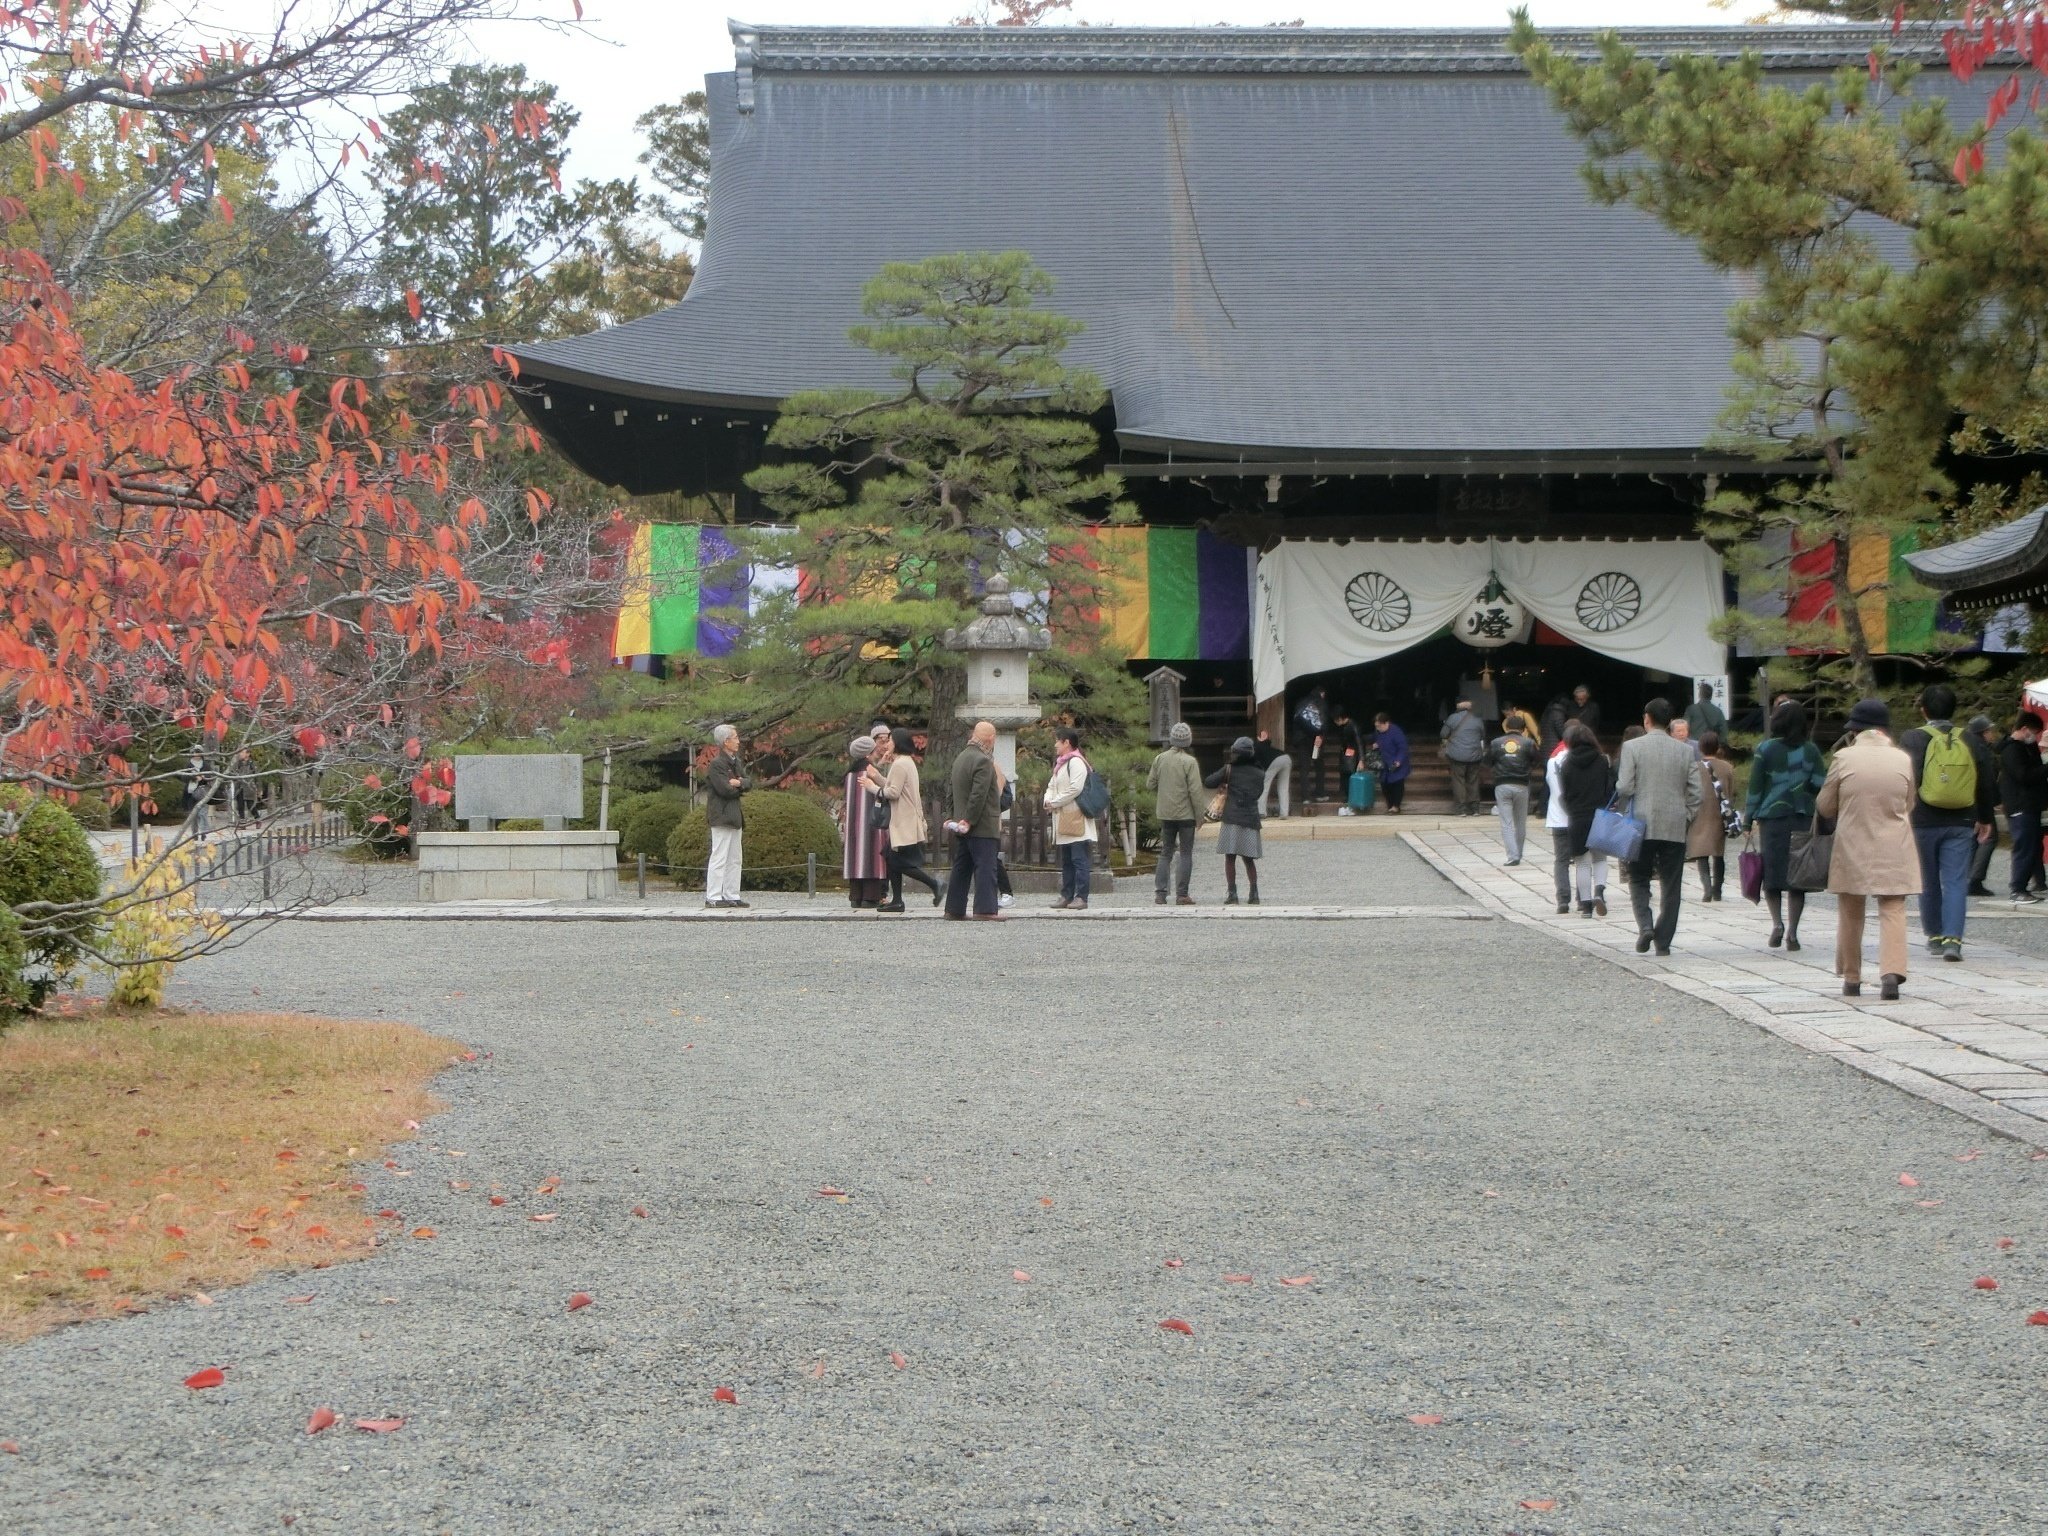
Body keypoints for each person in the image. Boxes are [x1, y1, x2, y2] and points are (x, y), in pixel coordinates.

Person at [1818, 699, 1920, 1000]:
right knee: (1893, 906)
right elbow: (1909, 803)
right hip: (1894, 842)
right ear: (1884, 729)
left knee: (1851, 909)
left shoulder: (1844, 758)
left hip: (1853, 842)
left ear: (1856, 731)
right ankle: (1891, 973)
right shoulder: (1902, 759)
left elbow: (1825, 806)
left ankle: (1852, 977)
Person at [1900, 682, 1999, 963]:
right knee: (1955, 880)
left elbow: (1907, 779)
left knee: (1928, 880)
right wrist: (1985, 818)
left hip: (1922, 820)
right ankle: (1953, 940)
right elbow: (1985, 781)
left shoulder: (1912, 738)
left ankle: (1934, 936)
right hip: (1962, 818)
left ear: (1923, 710)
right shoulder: (1970, 739)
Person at [1615, 697, 1703, 956]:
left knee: (1639, 877)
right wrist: (1686, 815)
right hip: (1674, 823)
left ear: (1647, 719)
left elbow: (1624, 787)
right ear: (1669, 722)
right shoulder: (1685, 750)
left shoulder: (1632, 747)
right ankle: (1663, 940)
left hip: (1639, 823)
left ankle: (1645, 926)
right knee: (1671, 883)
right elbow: (1696, 792)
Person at [1745, 701, 1825, 951]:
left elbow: (1755, 787)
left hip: (1772, 818)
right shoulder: (1811, 751)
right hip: (1801, 816)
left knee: (1773, 873)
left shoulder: (1765, 750)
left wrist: (1748, 818)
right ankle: (1793, 931)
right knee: (1797, 874)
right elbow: (1819, 784)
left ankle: (1777, 923)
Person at [869, 727, 942, 912]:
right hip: (905, 819)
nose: (888, 744)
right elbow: (894, 785)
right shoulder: (905, 762)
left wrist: (871, 787)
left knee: (899, 861)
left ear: (898, 742)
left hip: (903, 820)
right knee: (890, 856)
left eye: (891, 740)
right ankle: (898, 900)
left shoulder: (901, 763)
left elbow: (893, 792)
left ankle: (934, 884)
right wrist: (877, 776)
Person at [944, 722, 1004, 921]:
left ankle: (954, 908)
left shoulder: (961, 758)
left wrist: (955, 817)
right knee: (986, 867)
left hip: (961, 823)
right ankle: (985, 910)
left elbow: (952, 791)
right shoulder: (983, 760)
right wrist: (969, 819)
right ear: (991, 739)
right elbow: (979, 795)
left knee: (961, 867)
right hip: (982, 824)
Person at [1556, 723, 1615, 917]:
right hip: (1599, 815)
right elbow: (1610, 789)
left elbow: (1564, 793)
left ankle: (1587, 906)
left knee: (1581, 863)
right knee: (1600, 858)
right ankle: (1599, 890)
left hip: (1577, 816)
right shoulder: (1603, 761)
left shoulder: (1565, 764)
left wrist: (1571, 810)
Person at [1204, 735, 1266, 905]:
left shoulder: (1229, 769)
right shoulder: (1260, 773)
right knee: (1248, 859)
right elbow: (1258, 793)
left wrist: (1225, 784)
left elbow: (1209, 782)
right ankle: (1254, 893)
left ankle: (1232, 894)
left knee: (1230, 858)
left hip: (1232, 818)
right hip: (1251, 818)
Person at [1148, 721, 1204, 906]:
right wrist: (1200, 815)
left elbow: (1150, 784)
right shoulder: (1190, 762)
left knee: (1166, 853)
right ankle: (1182, 894)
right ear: (1188, 741)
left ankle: (1161, 893)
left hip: (1165, 813)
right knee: (1185, 853)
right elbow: (1195, 791)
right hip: (1186, 815)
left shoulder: (1160, 759)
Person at [1043, 725, 1098, 911]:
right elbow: (1051, 785)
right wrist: (1048, 799)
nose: (1055, 744)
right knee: (1067, 859)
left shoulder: (1076, 762)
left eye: (1058, 740)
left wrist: (1055, 802)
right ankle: (1067, 894)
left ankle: (1081, 896)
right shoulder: (1061, 763)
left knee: (1079, 859)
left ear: (1067, 742)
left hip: (1076, 815)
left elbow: (1076, 788)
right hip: (1064, 816)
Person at [1998, 713, 2048, 904]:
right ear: (2025, 728)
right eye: (2035, 732)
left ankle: (2025, 886)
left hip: (2032, 805)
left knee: (2033, 846)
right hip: (2020, 805)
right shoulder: (2012, 750)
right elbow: (2024, 775)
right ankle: (2017, 888)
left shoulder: (2028, 748)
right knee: (2024, 847)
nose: (2035, 736)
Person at [702, 724, 752, 909]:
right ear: (726, 741)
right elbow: (725, 789)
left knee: (735, 858)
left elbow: (748, 782)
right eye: (735, 737)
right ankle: (713, 896)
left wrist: (738, 782)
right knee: (719, 856)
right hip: (721, 815)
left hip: (734, 815)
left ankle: (732, 894)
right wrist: (739, 786)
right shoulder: (717, 764)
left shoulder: (735, 762)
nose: (738, 741)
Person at [840, 736, 891, 909]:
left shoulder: (849, 774)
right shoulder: (868, 773)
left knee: (855, 856)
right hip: (871, 823)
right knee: (871, 855)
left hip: (853, 824)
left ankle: (856, 896)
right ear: (868, 753)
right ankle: (870, 896)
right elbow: (884, 792)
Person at [1688, 730, 1739, 901]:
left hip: (1699, 813)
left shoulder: (1693, 767)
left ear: (1700, 748)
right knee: (1718, 853)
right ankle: (1718, 889)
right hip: (1719, 814)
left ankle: (1707, 888)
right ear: (1717, 747)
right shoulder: (1727, 767)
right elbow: (1732, 792)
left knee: (1701, 852)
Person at [1485, 713, 1541, 866]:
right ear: (1523, 729)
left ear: (1507, 727)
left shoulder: (1496, 743)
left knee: (1506, 822)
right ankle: (1519, 852)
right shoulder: (1528, 743)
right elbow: (1537, 760)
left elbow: (1487, 760)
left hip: (1502, 783)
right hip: (1522, 784)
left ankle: (1512, 855)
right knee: (1521, 822)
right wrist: (1527, 769)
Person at [1967, 715, 2004, 896]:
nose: (1991, 734)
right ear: (1982, 732)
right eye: (1989, 730)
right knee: (1989, 838)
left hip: (1966, 800)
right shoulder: (1981, 750)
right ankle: (1975, 879)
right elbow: (1987, 780)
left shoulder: (1966, 745)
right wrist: (1996, 801)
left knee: (1974, 839)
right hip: (1980, 801)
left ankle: (1968, 877)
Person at [1542, 733, 1574, 913]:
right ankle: (1584, 897)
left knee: (1561, 860)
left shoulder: (1553, 761)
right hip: (1579, 816)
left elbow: (1549, 784)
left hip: (1558, 816)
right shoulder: (1584, 759)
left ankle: (1563, 898)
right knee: (1583, 859)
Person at [1441, 697, 1487, 816]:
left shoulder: (1452, 718)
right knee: (1473, 781)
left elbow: (1443, 734)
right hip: (1474, 755)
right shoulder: (1478, 719)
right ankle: (1475, 808)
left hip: (1457, 755)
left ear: (1458, 706)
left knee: (1458, 781)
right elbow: (1482, 735)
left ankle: (1461, 809)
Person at [1292, 686, 1330, 803]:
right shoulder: (1320, 703)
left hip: (1301, 740)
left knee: (1304, 768)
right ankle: (1320, 793)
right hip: (1315, 740)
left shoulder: (1301, 702)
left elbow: (1296, 719)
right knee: (1319, 766)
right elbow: (1323, 721)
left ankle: (1305, 797)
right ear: (1321, 693)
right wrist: (1321, 735)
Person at [1372, 712, 1410, 814]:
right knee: (1385, 785)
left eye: (1379, 726)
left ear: (1385, 723)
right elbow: (1378, 741)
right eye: (1376, 726)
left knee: (1397, 785)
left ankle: (1396, 806)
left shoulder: (1396, 732)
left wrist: (1398, 761)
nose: (1378, 728)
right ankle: (1390, 805)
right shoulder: (1378, 733)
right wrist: (1376, 745)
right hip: (1385, 762)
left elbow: (1402, 748)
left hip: (1396, 762)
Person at [1254, 730, 1291, 819]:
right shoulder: (1266, 746)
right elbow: (1266, 744)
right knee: (1283, 787)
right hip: (1286, 758)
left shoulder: (1256, 746)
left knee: (1264, 785)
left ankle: (1261, 812)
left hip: (1275, 760)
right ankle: (1284, 813)